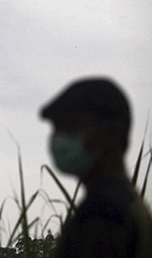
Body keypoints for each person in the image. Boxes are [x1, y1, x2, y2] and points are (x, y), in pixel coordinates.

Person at [40, 77, 152, 258]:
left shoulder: (102, 213)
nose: (59, 140)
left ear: (112, 131)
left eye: (70, 125)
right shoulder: (133, 206)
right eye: (56, 129)